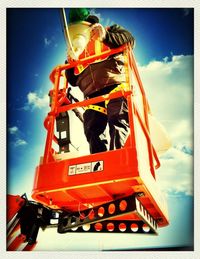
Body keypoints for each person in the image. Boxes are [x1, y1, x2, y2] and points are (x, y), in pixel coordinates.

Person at [65, 8, 135, 154]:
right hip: (92, 97)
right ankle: (99, 163)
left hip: (115, 87)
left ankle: (117, 161)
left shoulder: (111, 30)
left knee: (117, 120)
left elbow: (129, 39)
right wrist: (70, 64)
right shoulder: (76, 47)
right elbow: (72, 80)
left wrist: (106, 36)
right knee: (91, 129)